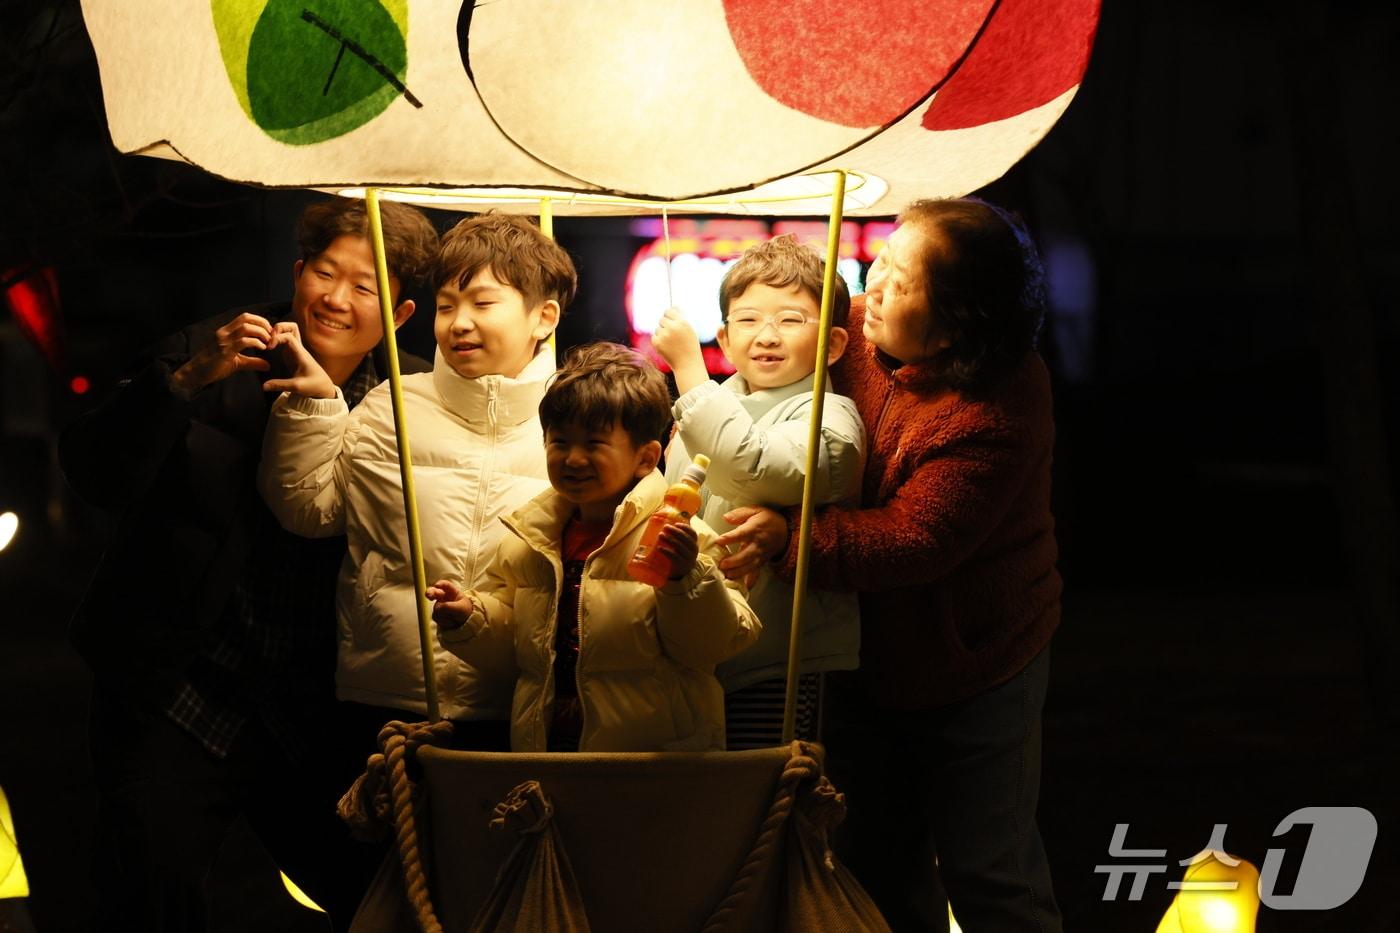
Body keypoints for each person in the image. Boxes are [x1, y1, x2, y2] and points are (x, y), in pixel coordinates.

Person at [59, 196, 439, 932]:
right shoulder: (217, 348)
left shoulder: (413, 397)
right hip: (181, 687)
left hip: (313, 706)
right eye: (325, 272)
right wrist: (181, 384)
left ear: (398, 315)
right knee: (146, 890)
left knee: (377, 892)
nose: (336, 297)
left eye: (365, 287)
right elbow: (95, 472)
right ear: (298, 272)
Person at [715, 198, 1063, 932]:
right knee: (874, 860)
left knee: (985, 865)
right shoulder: (865, 343)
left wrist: (790, 538)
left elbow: (915, 540)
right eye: (876, 267)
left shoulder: (995, 408)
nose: (869, 291)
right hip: (868, 648)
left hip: (979, 652)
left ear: (952, 325)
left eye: (897, 283)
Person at [258, 212, 574, 752]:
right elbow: (309, 509)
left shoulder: (572, 419)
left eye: (483, 303)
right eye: (447, 306)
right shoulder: (393, 404)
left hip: (520, 700)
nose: (458, 322)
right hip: (384, 693)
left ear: (543, 316)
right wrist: (313, 405)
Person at [428, 342, 761, 752]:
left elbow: (715, 644)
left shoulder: (685, 538)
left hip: (654, 762)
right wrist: (469, 618)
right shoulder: (530, 539)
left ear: (645, 458)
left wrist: (685, 577)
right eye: (560, 441)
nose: (573, 459)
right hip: (545, 749)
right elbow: (516, 653)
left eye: (594, 443)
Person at [651, 235, 865, 749]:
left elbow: (751, 465)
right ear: (724, 339)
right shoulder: (709, 407)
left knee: (769, 795)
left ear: (832, 344)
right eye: (748, 320)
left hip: (781, 656)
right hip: (696, 649)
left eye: (790, 320)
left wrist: (687, 367)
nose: (767, 335)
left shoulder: (832, 417)